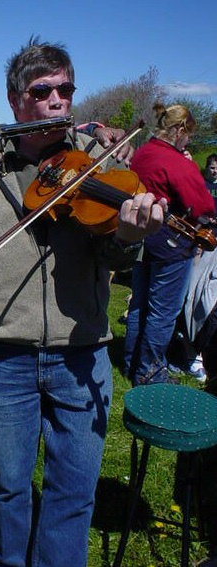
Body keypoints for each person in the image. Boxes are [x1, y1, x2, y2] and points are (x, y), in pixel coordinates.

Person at [0, 37, 166, 567]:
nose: (59, 100)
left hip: (81, 354)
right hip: (1, 359)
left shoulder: (97, 167)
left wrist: (128, 237)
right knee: (7, 487)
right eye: (43, 90)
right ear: (17, 101)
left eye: (66, 89)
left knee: (73, 492)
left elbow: (114, 259)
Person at [123, 102, 216, 386]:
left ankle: (131, 362)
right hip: (171, 243)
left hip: (142, 238)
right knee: (163, 311)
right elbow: (202, 205)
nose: (188, 140)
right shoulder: (176, 162)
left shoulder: (143, 152)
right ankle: (149, 372)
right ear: (178, 130)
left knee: (139, 303)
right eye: (187, 134)